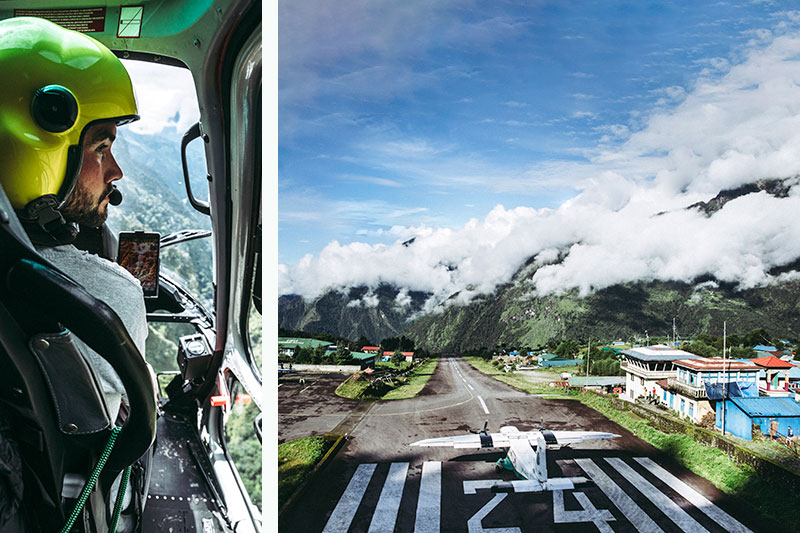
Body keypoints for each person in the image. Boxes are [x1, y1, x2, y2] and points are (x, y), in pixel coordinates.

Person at [0, 17, 148, 422]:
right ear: (36, 152)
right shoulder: (111, 296)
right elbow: (131, 408)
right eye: (101, 147)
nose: (115, 171)